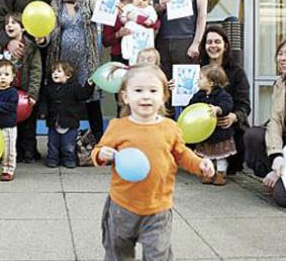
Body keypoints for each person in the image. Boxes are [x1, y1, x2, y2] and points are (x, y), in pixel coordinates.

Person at [91, 64, 214, 260]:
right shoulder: (118, 126)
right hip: (122, 206)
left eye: (153, 90)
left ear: (164, 96)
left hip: (158, 208)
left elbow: (182, 154)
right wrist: (100, 154)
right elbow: (98, 151)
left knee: (158, 254)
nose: (146, 96)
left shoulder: (170, 128)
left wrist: (200, 164)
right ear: (125, 97)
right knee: (118, 253)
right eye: (138, 90)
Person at [47, 0, 103, 142]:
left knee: (92, 101)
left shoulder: (88, 0)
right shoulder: (55, 4)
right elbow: (48, 29)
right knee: (65, 100)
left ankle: (98, 139)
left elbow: (104, 15)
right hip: (64, 62)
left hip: (87, 59)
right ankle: (65, 142)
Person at [198, 26, 250, 174]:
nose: (213, 46)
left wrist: (234, 117)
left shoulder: (237, 72)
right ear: (204, 46)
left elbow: (245, 105)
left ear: (225, 45)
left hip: (228, 126)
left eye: (217, 42)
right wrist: (178, 87)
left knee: (235, 160)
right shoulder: (197, 70)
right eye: (209, 42)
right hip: (202, 127)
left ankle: (222, 169)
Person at [244, 39, 286, 207]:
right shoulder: (280, 83)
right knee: (253, 135)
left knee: (282, 198)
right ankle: (274, 174)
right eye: (280, 54)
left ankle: (278, 178)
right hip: (283, 144)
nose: (282, 58)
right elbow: (275, 121)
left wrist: (280, 171)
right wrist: (276, 158)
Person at [1, 12, 42, 163]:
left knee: (29, 125)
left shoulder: (31, 47)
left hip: (25, 92)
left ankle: (29, 152)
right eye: (7, 23)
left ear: (23, 28)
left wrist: (32, 94)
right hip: (9, 92)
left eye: (14, 23)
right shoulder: (3, 47)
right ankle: (13, 152)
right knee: (10, 123)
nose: (9, 25)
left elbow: (36, 71)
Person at [188, 65, 235, 185]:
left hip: (219, 133)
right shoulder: (199, 95)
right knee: (206, 155)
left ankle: (220, 174)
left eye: (200, 78)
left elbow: (227, 104)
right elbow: (191, 106)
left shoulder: (221, 94)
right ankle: (208, 173)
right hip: (205, 133)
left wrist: (218, 109)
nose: (197, 80)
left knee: (220, 156)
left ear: (211, 82)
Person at [44, 61, 94, 168]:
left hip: (70, 122)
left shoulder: (74, 87)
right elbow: (45, 101)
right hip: (54, 121)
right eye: (53, 71)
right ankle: (52, 159)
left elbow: (83, 95)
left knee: (69, 144)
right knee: (53, 143)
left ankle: (69, 159)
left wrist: (88, 86)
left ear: (68, 75)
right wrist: (43, 112)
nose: (55, 73)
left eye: (59, 71)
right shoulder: (49, 87)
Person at [120, 0, 158, 65]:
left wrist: (150, 20)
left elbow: (154, 16)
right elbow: (122, 15)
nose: (140, 1)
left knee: (147, 49)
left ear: (148, 1)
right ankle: (127, 55)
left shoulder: (149, 9)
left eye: (144, 0)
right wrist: (124, 18)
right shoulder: (129, 7)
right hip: (131, 32)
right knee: (128, 44)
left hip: (145, 33)